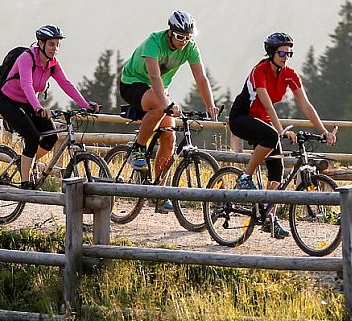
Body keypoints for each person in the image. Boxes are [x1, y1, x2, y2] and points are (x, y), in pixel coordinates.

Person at [227, 32, 337, 238]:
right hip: (242, 117)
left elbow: (305, 104)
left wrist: (323, 131)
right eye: (282, 53)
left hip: (264, 122)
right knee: (271, 137)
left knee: (277, 170)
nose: (286, 57)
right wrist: (281, 130)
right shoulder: (260, 71)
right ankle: (245, 176)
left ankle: (270, 218)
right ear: (271, 53)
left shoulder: (290, 74)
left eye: (289, 53)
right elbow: (267, 105)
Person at [118, 10, 220, 211]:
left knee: (170, 137)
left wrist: (210, 104)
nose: (184, 41)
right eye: (180, 37)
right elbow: (154, 77)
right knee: (159, 106)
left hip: (158, 90)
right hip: (134, 83)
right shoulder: (154, 42)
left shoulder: (190, 47)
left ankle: (159, 191)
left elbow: (201, 78)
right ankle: (137, 149)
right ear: (170, 32)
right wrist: (166, 105)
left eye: (188, 38)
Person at [0, 25, 100, 189]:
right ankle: (25, 183)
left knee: (51, 137)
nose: (55, 48)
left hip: (28, 102)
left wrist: (86, 105)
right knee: (32, 137)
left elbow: (66, 84)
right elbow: (26, 85)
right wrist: (38, 107)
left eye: (57, 45)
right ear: (41, 43)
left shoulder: (52, 64)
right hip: (9, 101)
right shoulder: (26, 58)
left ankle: (26, 163)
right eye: (51, 44)